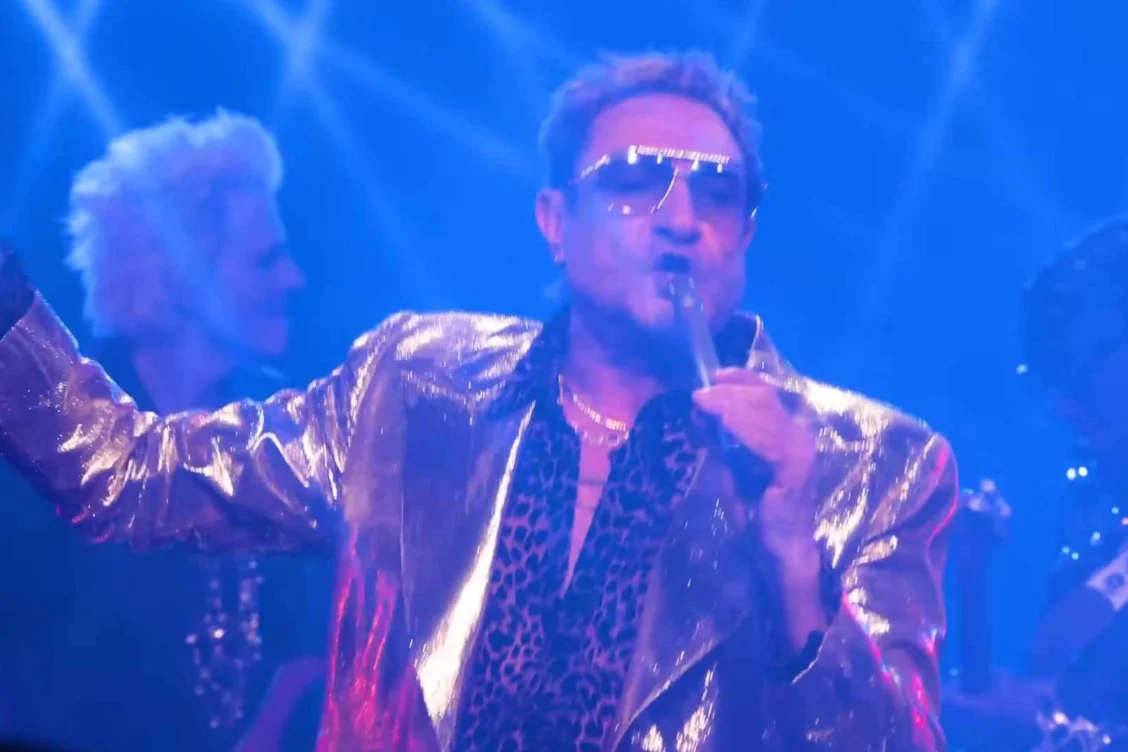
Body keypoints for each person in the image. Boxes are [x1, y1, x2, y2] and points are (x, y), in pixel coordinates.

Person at [0, 51, 957, 751]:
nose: (679, 218)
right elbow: (125, 473)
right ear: (555, 223)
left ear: (744, 232)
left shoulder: (872, 465)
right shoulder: (412, 387)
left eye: (717, 193)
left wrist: (794, 557)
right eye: (631, 182)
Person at [0, 111, 328, 752]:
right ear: (179, 273)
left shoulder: (283, 428)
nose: (295, 279)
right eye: (266, 261)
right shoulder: (49, 440)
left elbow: (316, 638)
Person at [944, 216, 1128, 751]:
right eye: (1047, 376)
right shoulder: (1097, 526)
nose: (1061, 406)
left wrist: (1057, 731)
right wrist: (971, 576)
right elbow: (1044, 696)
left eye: (1075, 368)